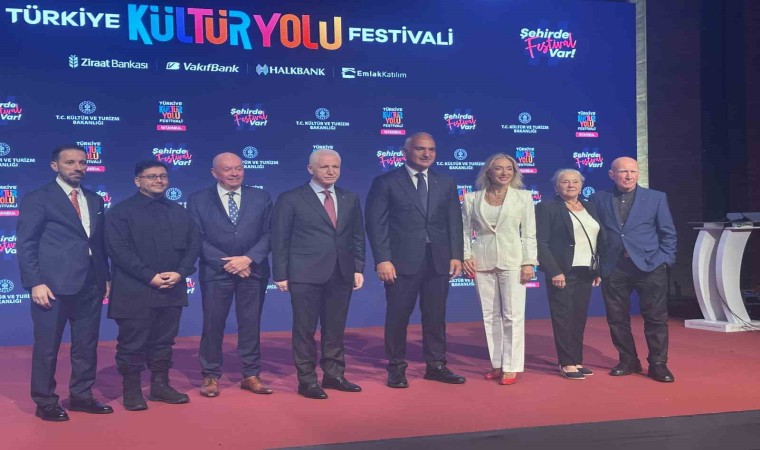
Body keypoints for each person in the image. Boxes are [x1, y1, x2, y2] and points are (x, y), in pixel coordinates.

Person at [17, 145, 113, 421]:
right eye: (70, 162)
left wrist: (105, 276)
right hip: (51, 286)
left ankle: (82, 396)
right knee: (47, 347)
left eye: (82, 162)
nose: (78, 167)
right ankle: (45, 401)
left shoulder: (94, 199)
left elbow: (98, 243)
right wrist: (35, 282)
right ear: (55, 166)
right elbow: (26, 244)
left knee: (86, 344)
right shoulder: (38, 198)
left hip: (91, 283)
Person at [365, 132, 466, 388]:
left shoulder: (446, 182)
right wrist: (382, 259)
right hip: (401, 263)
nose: (426, 154)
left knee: (435, 316)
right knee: (398, 316)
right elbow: (376, 225)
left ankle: (436, 365)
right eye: (421, 149)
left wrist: (457, 255)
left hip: (438, 260)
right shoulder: (386, 182)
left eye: (431, 149)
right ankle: (396, 368)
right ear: (405, 152)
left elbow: (454, 221)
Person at [271, 149, 365, 400]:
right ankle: (307, 380)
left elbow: (357, 235)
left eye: (336, 167)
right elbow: (279, 238)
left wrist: (358, 267)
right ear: (310, 169)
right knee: (305, 330)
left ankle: (334, 375)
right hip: (304, 273)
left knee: (335, 328)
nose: (331, 171)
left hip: (341, 272)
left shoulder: (349, 197)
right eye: (325, 167)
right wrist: (280, 273)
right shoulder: (291, 198)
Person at [106, 160, 200, 410]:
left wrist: (180, 273)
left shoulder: (179, 211)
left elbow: (194, 245)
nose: (159, 180)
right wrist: (149, 276)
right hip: (134, 290)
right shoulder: (120, 212)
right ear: (138, 181)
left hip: (172, 288)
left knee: (164, 341)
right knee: (132, 344)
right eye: (152, 176)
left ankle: (160, 386)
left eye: (163, 176)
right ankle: (132, 390)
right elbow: (119, 250)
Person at [188, 153, 273, 398]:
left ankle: (251, 374)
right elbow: (196, 238)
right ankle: (210, 374)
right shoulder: (198, 199)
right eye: (228, 169)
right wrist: (229, 263)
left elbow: (270, 233)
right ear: (214, 173)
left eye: (239, 168)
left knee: (251, 324)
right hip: (216, 272)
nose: (235, 173)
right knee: (213, 324)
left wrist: (248, 259)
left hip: (252, 270)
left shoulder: (261, 197)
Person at [591, 156, 677, 382]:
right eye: (623, 172)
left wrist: (665, 260)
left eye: (633, 172)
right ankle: (628, 360)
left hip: (650, 266)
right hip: (614, 267)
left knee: (655, 317)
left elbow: (668, 233)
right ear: (612, 175)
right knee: (617, 318)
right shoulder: (598, 198)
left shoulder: (656, 198)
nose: (629, 176)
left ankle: (658, 364)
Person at [461, 154, 537, 385]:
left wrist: (528, 262)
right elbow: (464, 231)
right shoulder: (471, 198)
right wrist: (466, 256)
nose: (504, 173)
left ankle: (511, 366)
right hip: (481, 261)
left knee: (513, 315)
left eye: (509, 169)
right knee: (489, 315)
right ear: (488, 172)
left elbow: (529, 233)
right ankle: (497, 364)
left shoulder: (523, 197)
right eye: (499, 168)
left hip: (513, 261)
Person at [536, 169, 604, 380]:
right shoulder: (547, 207)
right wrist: (554, 271)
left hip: (586, 270)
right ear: (556, 186)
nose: (571, 185)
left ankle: (576, 360)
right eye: (565, 182)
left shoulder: (590, 207)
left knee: (578, 318)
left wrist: (598, 269)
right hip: (562, 271)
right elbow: (541, 242)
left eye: (575, 181)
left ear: (581, 185)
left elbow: (598, 239)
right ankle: (566, 362)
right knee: (563, 318)